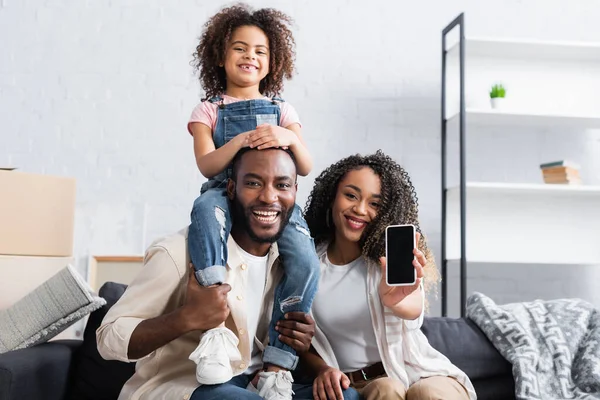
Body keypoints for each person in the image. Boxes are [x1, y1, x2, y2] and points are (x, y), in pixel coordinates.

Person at [97, 148, 341, 400]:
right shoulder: (177, 253)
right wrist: (186, 318)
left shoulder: (293, 265)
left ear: (294, 192)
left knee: (347, 397)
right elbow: (108, 339)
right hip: (183, 388)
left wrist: (300, 342)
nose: (269, 197)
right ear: (232, 189)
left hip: (255, 387)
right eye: (254, 183)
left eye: (282, 185)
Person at [186, 4, 320, 398]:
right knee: (203, 214)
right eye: (240, 48)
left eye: (260, 51)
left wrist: (290, 138)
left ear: (271, 61)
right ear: (220, 57)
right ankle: (215, 331)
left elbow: (306, 165)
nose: (250, 56)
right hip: (224, 193)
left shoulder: (283, 110)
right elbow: (206, 163)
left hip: (274, 203)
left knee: (306, 259)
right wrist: (241, 141)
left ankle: (278, 363)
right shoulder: (208, 110)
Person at [297, 150, 477, 400]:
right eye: (351, 196)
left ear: (385, 212)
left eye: (375, 204)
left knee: (427, 393)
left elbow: (413, 310)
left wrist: (399, 301)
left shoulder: (390, 260)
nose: (360, 209)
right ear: (331, 198)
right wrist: (322, 370)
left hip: (419, 373)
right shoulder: (307, 264)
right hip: (359, 385)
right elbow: (302, 339)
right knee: (386, 389)